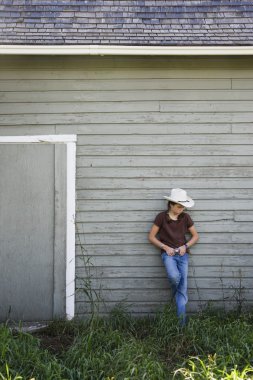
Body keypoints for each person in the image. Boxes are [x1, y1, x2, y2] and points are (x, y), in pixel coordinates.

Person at [148, 188, 199, 325]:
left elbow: (195, 236)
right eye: (179, 206)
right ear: (170, 204)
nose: (181, 208)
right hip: (168, 255)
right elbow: (151, 237)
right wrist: (164, 247)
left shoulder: (186, 217)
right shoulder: (161, 217)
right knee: (174, 277)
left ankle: (181, 325)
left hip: (183, 256)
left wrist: (185, 246)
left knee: (183, 288)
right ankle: (176, 293)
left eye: (183, 206)